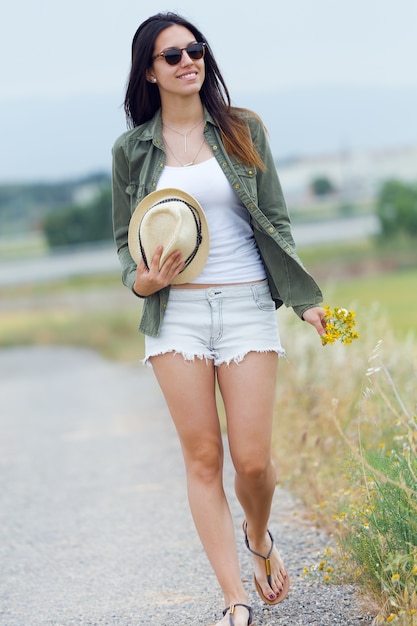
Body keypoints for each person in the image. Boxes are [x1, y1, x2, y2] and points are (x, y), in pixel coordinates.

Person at [112, 12, 326, 626]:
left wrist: (309, 301)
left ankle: (259, 536)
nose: (188, 62)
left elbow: (277, 222)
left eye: (196, 50)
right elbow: (126, 246)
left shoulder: (243, 130)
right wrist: (140, 281)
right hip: (174, 313)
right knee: (203, 457)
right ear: (149, 73)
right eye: (172, 55)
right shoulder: (132, 151)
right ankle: (234, 599)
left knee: (251, 461)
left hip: (247, 306)